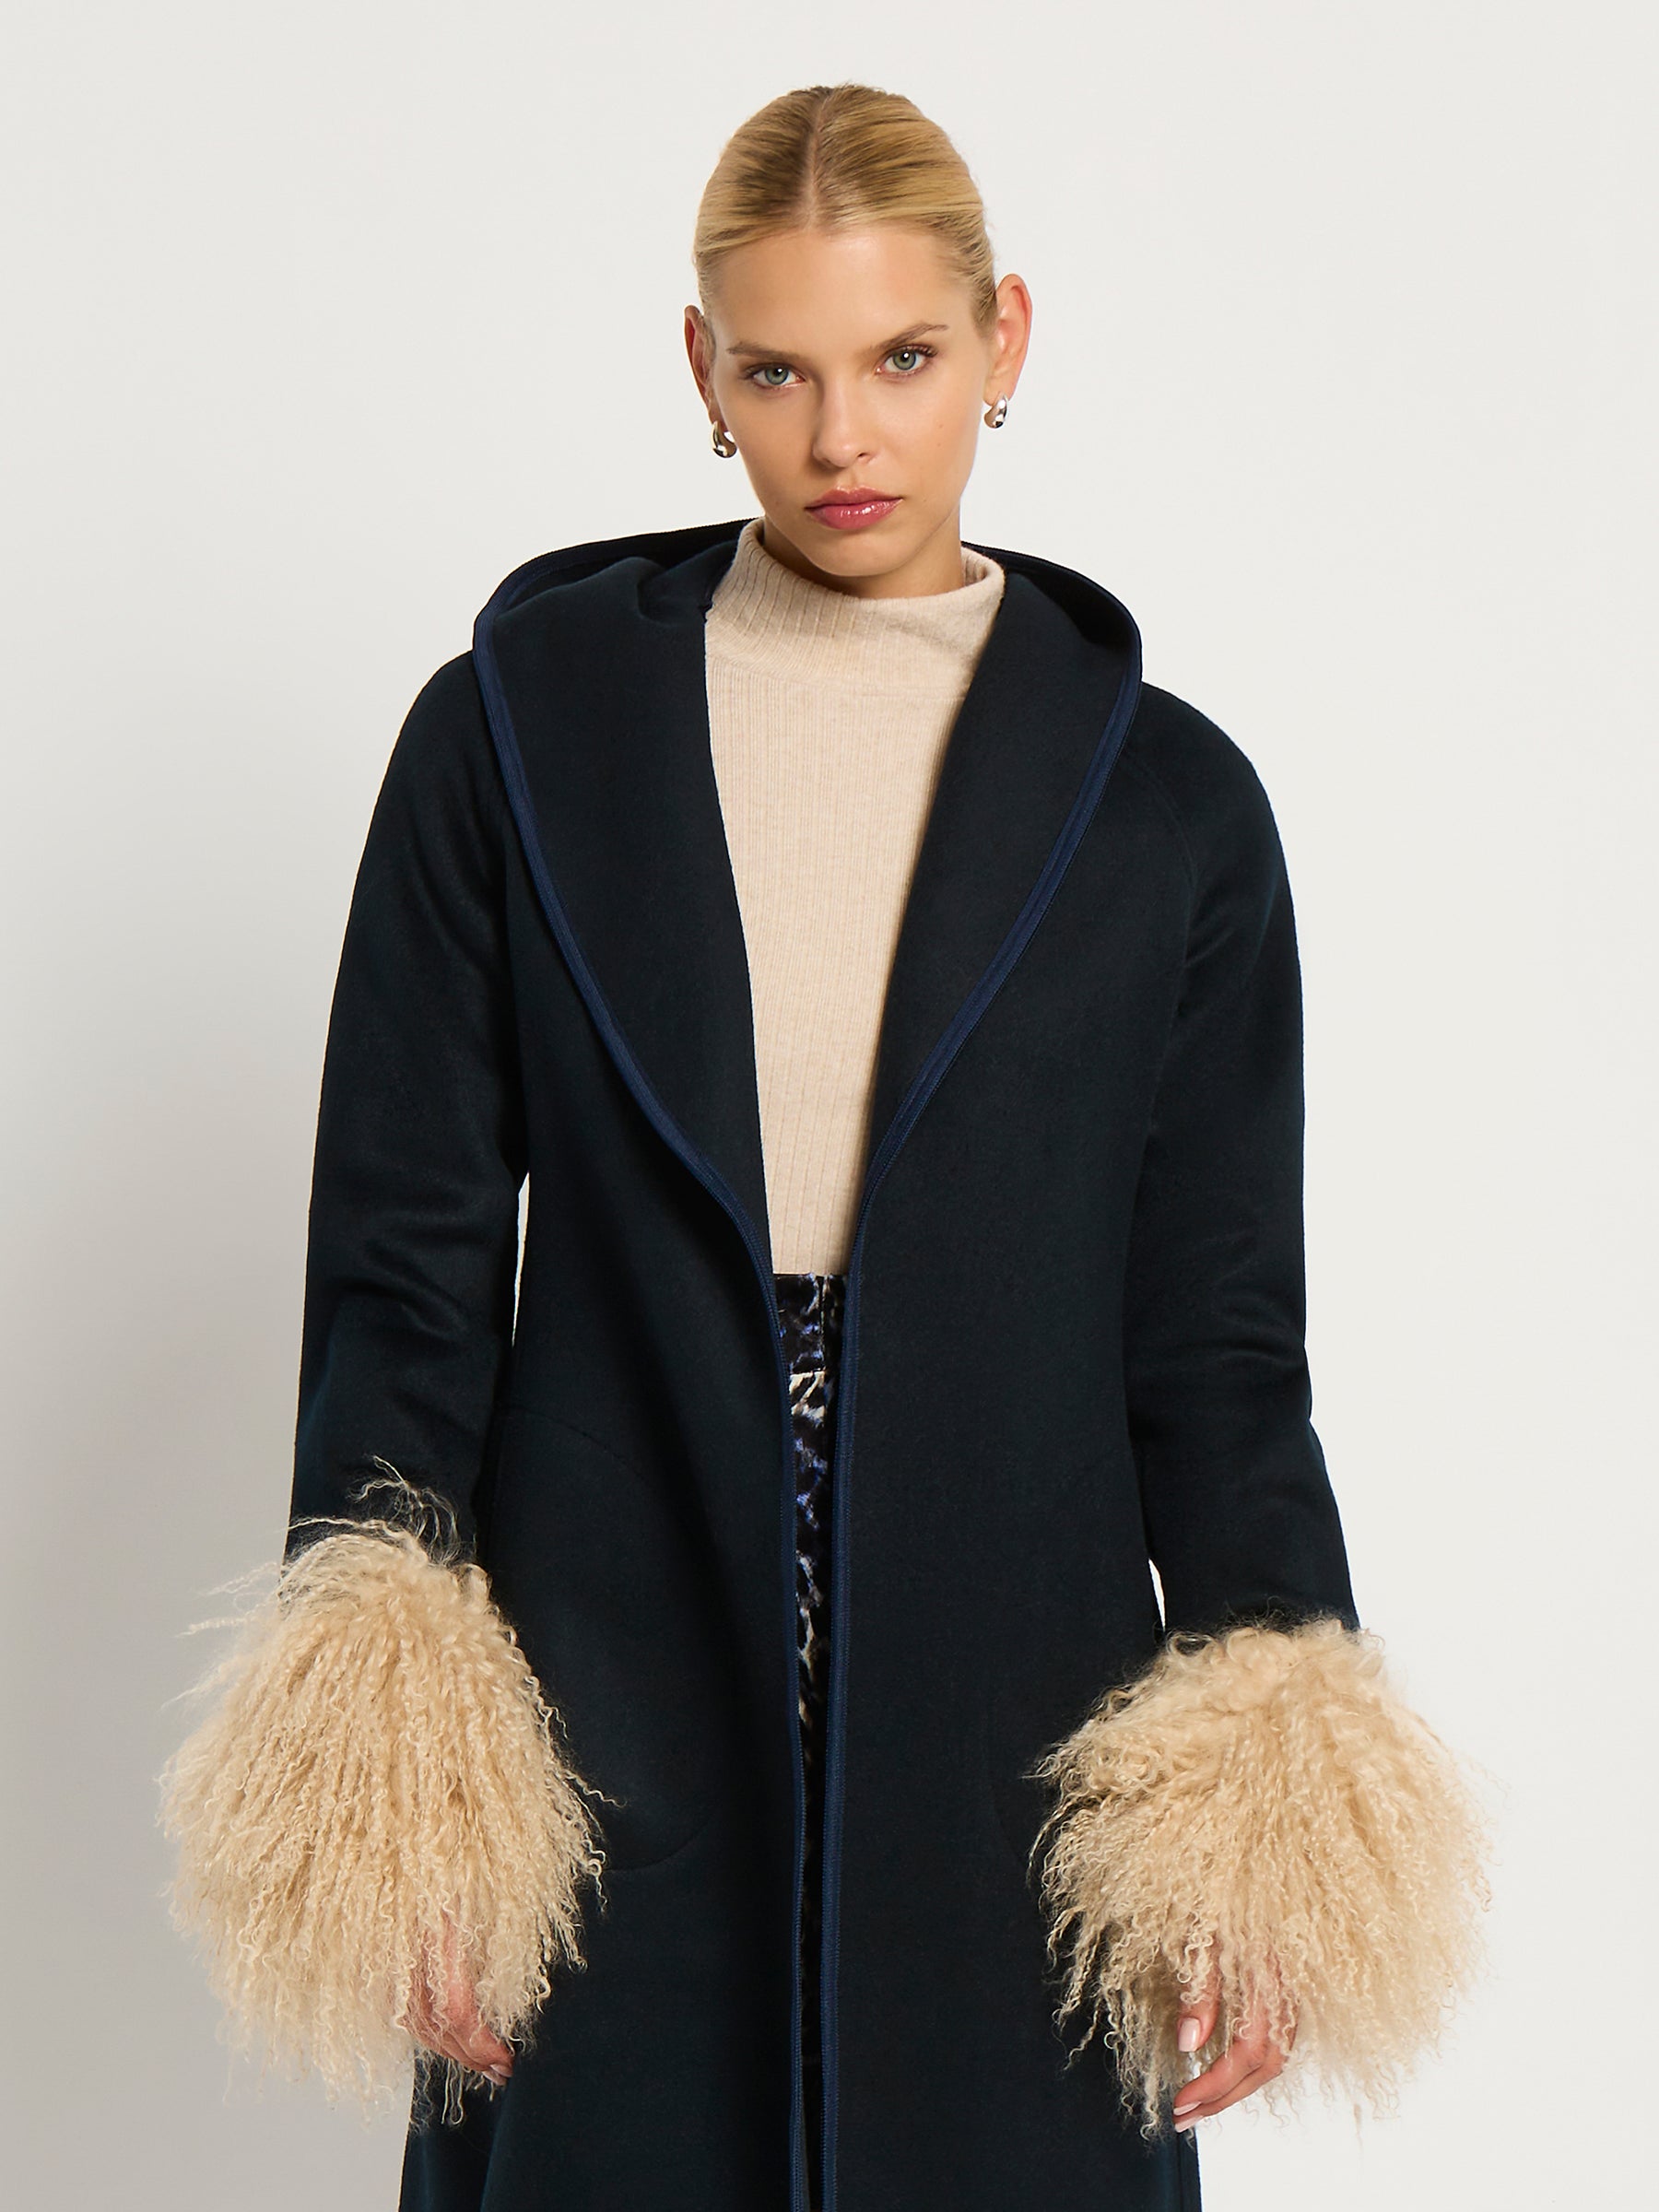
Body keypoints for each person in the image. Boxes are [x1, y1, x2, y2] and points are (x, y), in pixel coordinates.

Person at [159, 81, 1490, 2212]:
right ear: (700, 369)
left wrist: (1265, 1829)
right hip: (603, 1696)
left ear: (1005, 339)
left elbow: (1221, 1353)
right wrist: (398, 1803)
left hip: (1019, 1722)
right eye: (776, 370)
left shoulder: (1167, 810)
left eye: (903, 358)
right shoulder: (513, 744)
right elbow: (402, 1283)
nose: (843, 436)